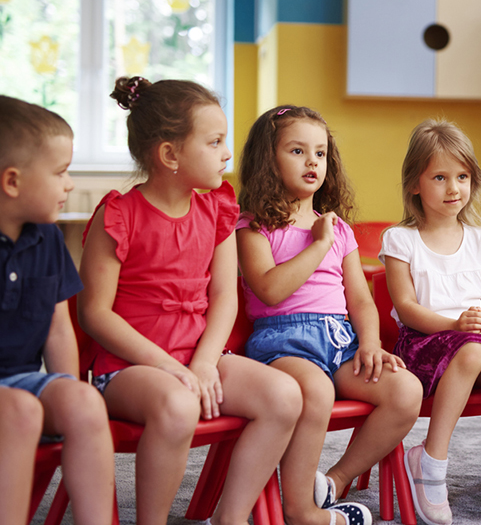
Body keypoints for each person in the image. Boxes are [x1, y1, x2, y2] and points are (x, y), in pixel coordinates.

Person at [78, 77, 302, 525]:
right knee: (179, 403)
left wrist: (201, 364)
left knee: (283, 396)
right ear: (170, 155)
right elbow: (95, 313)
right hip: (129, 369)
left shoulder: (217, 209)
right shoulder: (118, 214)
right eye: (215, 141)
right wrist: (171, 368)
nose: (226, 153)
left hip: (199, 356)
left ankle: (231, 516)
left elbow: (223, 299)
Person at [236, 105, 422, 525]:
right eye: (298, 151)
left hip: (341, 342)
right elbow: (269, 287)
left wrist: (371, 345)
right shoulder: (251, 227)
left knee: (405, 392)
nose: (312, 162)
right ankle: (300, 509)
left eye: (319, 153)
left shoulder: (338, 229)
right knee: (315, 391)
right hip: (282, 343)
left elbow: (360, 300)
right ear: (269, 159)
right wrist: (316, 247)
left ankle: (333, 482)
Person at [381, 119, 481, 525]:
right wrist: (456, 327)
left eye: (462, 177)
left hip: (475, 344)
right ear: (415, 183)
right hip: (422, 346)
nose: (454, 188)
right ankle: (432, 462)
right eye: (440, 177)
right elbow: (407, 306)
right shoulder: (401, 239)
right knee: (470, 351)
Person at [0, 96, 114, 525]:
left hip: (22, 379)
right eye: (61, 172)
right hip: (11, 401)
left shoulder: (47, 236)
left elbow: (58, 328)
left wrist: (66, 386)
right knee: (20, 411)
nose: (69, 184)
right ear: (13, 181)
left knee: (84, 402)